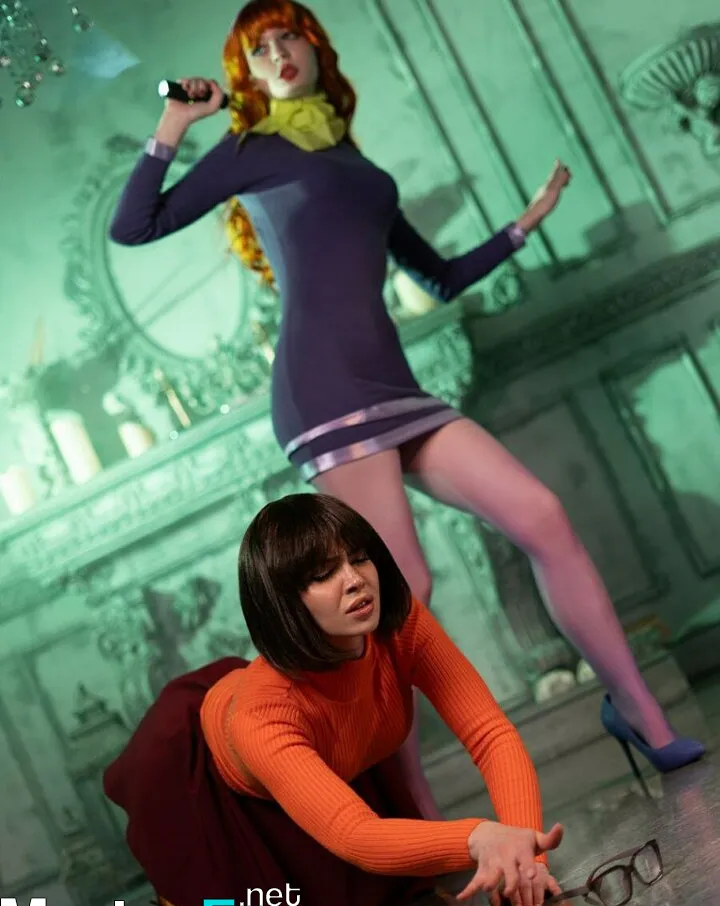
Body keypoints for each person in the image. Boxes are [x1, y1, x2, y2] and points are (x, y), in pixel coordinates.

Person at [108, 0, 704, 819]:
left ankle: (639, 714)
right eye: (259, 48)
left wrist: (522, 226)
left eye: (288, 37)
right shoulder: (252, 148)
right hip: (324, 389)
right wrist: (174, 123)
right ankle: (411, 808)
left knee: (540, 513)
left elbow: (440, 278)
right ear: (247, 71)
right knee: (400, 591)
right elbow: (133, 224)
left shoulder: (352, 160)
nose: (278, 54)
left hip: (393, 384)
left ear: (315, 47)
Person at [104, 492, 565, 906]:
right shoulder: (261, 715)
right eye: (323, 575)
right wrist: (478, 837)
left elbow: (490, 734)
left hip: (320, 748)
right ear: (284, 602)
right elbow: (353, 834)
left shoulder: (400, 624)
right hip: (203, 795)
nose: (355, 580)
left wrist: (528, 860)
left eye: (359, 557)